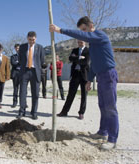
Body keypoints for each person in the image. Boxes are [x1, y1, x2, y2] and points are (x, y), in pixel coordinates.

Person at [50, 16, 119, 150]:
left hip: (109, 74)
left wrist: (60, 30)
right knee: (102, 106)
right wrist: (89, 79)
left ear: (90, 25)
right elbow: (93, 64)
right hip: (100, 76)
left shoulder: (99, 35)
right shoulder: (93, 45)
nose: (83, 33)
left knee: (110, 108)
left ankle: (112, 139)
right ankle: (102, 132)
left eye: (84, 29)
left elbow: (83, 36)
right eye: (82, 30)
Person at [57, 40, 89, 120]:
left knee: (84, 95)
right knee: (70, 94)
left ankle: (81, 112)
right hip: (75, 74)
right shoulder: (74, 50)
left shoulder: (88, 50)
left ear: (84, 42)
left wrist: (76, 59)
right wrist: (79, 57)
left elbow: (85, 62)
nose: (80, 43)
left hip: (84, 76)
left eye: (81, 42)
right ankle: (64, 111)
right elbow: (70, 58)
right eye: (79, 42)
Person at [17, 31, 45, 120]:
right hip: (24, 71)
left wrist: (36, 68)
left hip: (35, 72)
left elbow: (41, 60)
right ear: (27, 38)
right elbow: (20, 59)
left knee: (35, 93)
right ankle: (22, 111)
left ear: (35, 39)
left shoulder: (40, 48)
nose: (31, 41)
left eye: (33, 40)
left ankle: (34, 112)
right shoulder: (22, 47)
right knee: (22, 92)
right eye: (30, 40)